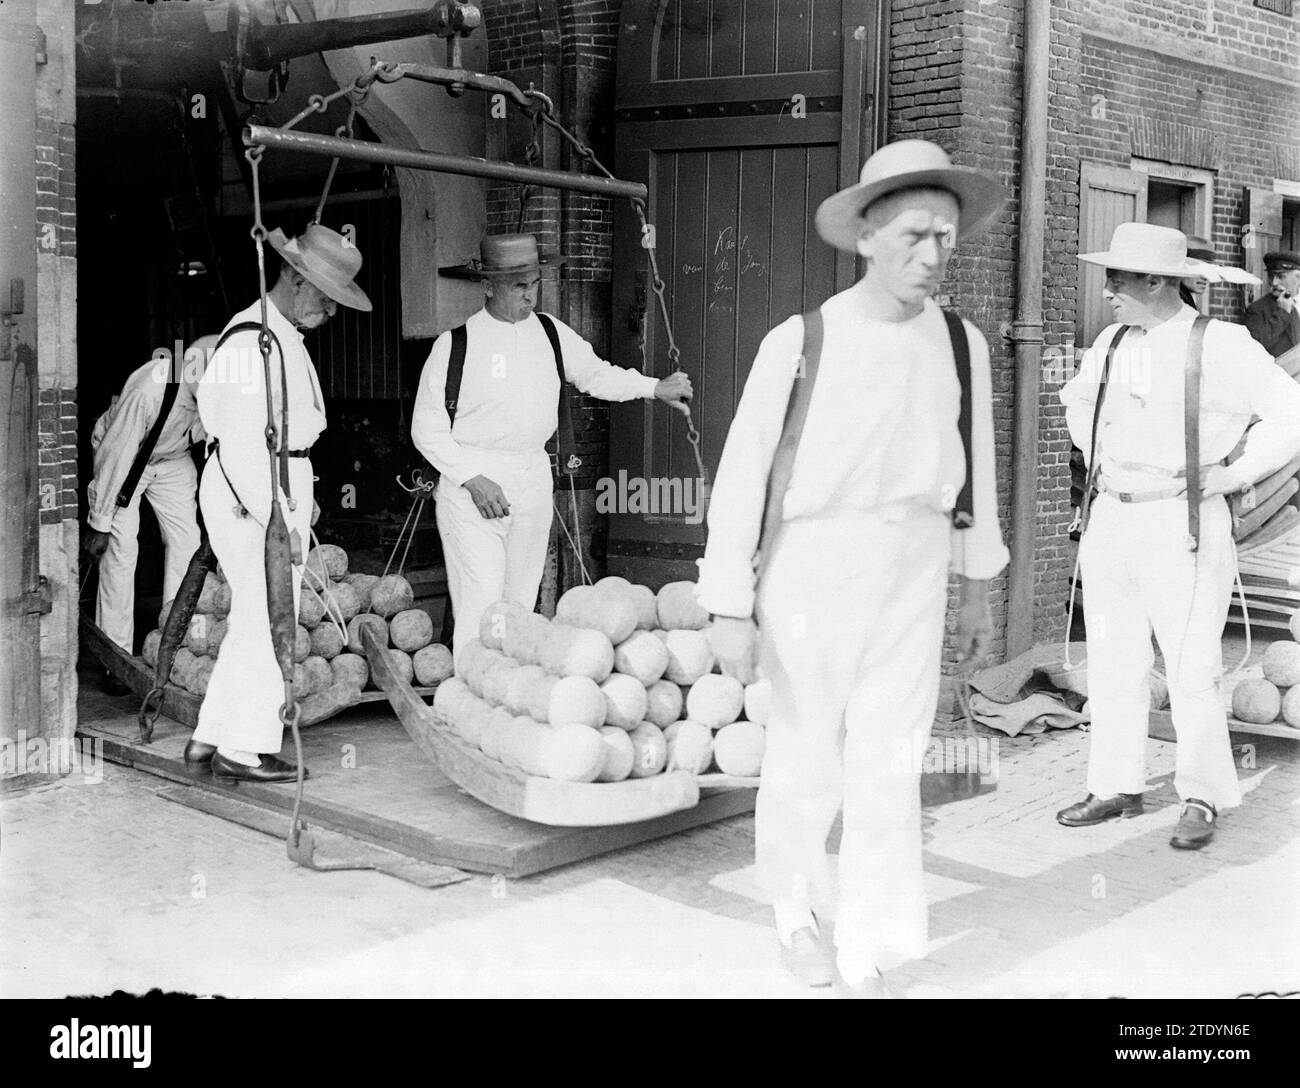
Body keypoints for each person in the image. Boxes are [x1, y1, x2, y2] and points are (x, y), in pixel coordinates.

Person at [695, 139, 1009, 995]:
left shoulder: (962, 344)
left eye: (945, 236)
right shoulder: (801, 340)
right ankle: (795, 914)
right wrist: (728, 602)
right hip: (813, 568)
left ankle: (868, 935)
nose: (932, 255)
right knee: (805, 757)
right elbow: (742, 476)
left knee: (891, 758)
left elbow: (975, 466)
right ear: (866, 236)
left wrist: (976, 584)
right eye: (914, 234)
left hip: (913, 568)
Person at [1057, 223, 1300, 849]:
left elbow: (1290, 413)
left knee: (1191, 667)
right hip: (1113, 515)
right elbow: (1079, 403)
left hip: (1182, 521)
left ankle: (1202, 794)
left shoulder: (1221, 343)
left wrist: (1235, 473)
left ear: (1158, 282)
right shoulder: (1112, 340)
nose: (1107, 290)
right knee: (1113, 660)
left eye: (1118, 279)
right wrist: (1109, 463)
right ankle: (1116, 785)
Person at [411, 233, 692, 659]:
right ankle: (469, 697)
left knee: (519, 601)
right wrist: (472, 478)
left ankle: (508, 693)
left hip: (532, 475)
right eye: (518, 285)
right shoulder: (454, 346)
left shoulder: (550, 332)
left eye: (534, 283)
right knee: (483, 601)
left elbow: (598, 376)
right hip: (472, 483)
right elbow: (426, 429)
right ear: (488, 285)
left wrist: (655, 387)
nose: (529, 294)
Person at [185, 224, 371, 783]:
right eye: (324, 296)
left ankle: (210, 734)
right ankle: (244, 750)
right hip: (253, 490)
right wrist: (275, 519)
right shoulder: (251, 340)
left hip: (275, 480)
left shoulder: (281, 332)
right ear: (292, 277)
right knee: (269, 617)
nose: (331, 311)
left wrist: (295, 502)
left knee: (252, 616)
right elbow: (240, 441)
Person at [85, 335, 218, 689]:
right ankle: (116, 657)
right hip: (128, 456)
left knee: (188, 543)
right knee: (121, 550)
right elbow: (116, 456)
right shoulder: (149, 390)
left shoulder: (221, 392)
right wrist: (100, 522)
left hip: (172, 458)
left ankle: (174, 644)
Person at [1243, 250, 1300, 359]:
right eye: (1271, 276)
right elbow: (1253, 348)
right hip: (1277, 374)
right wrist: (1282, 313)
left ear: (1298, 277)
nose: (1274, 283)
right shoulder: (1257, 309)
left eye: (1281, 276)